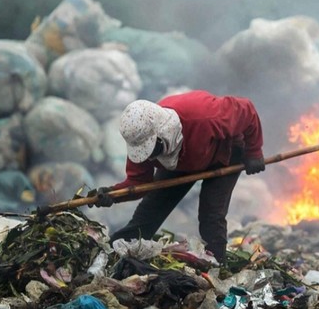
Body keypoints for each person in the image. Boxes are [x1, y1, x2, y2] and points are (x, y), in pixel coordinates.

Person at [89, 90, 265, 263]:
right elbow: (138, 182)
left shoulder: (205, 117)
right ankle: (113, 254)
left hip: (224, 152)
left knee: (211, 215)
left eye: (151, 150)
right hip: (182, 160)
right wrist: (112, 194)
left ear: (162, 134)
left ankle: (217, 264)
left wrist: (254, 152)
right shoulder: (141, 141)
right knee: (151, 209)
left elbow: (247, 110)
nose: (148, 157)